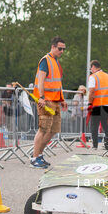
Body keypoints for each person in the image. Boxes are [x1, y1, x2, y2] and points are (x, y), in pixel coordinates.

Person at [30, 36, 67, 168]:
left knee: (53, 130)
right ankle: (34, 158)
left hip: (55, 101)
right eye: (59, 48)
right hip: (46, 101)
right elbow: (41, 80)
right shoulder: (46, 60)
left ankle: (39, 155)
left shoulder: (56, 62)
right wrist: (41, 97)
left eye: (63, 49)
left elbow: (57, 83)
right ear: (53, 47)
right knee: (43, 129)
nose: (62, 51)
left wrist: (62, 99)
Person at [86, 60, 108, 149]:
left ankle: (95, 145)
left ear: (94, 67)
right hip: (107, 104)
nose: (90, 70)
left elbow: (91, 91)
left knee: (94, 125)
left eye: (90, 68)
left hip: (96, 105)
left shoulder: (93, 77)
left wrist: (90, 103)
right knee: (104, 123)